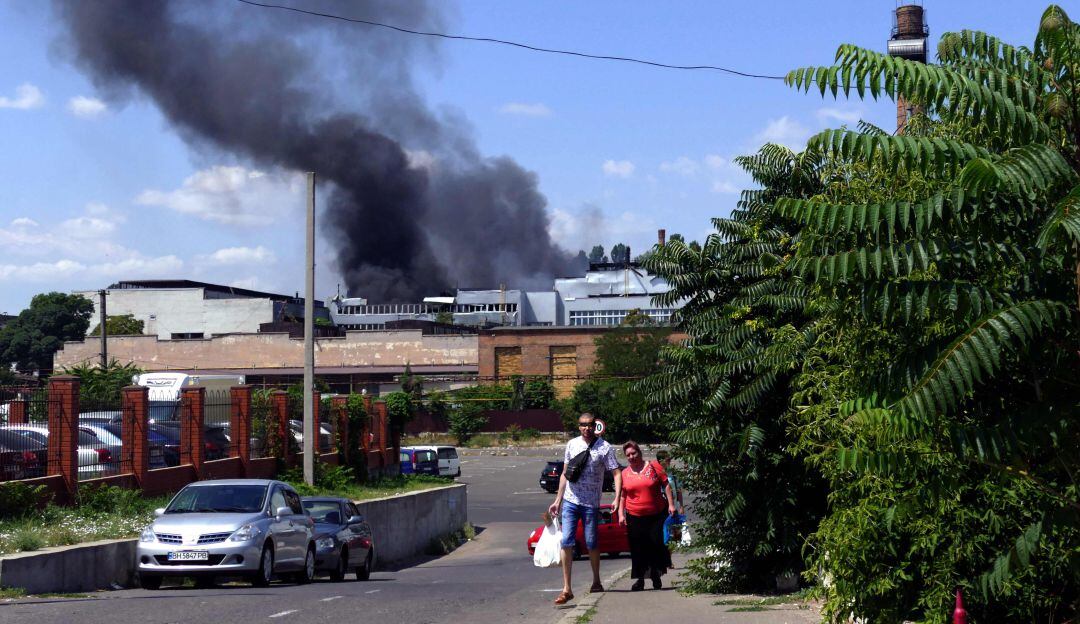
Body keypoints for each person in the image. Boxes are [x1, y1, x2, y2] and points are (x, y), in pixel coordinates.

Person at [547, 412, 621, 606]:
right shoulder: (572, 444)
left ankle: (596, 581)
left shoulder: (605, 447)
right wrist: (558, 500)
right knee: (566, 541)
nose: (586, 428)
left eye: (589, 425)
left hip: (590, 504)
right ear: (578, 426)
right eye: (582, 425)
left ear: (595, 425)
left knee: (591, 542)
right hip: (571, 501)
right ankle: (567, 589)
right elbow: (565, 473)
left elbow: (616, 473)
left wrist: (617, 498)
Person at [618, 441, 674, 591]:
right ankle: (640, 580)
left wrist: (671, 505)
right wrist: (620, 515)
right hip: (634, 516)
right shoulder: (624, 473)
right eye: (628, 455)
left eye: (633, 453)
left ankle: (656, 575)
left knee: (655, 545)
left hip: (655, 515)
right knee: (638, 549)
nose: (631, 457)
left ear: (639, 452)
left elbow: (666, 485)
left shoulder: (653, 466)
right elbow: (623, 496)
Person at [655, 450, 684, 516]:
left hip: (673, 506)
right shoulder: (655, 473)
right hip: (660, 508)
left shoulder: (673, 473)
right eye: (667, 460)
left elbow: (679, 490)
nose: (669, 461)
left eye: (669, 459)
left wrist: (681, 506)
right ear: (660, 461)